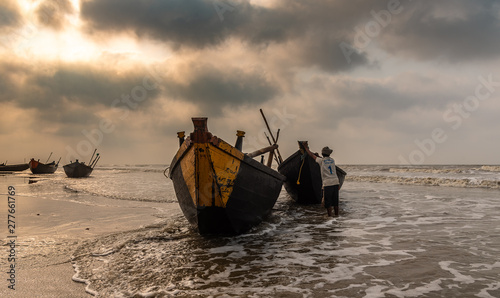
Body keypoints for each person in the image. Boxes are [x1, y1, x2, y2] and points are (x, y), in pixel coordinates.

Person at [301, 142, 340, 217]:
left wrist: (306, 148)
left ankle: (330, 217)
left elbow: (311, 155)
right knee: (335, 202)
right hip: (335, 181)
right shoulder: (332, 160)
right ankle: (337, 216)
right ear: (329, 154)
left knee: (328, 202)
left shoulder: (321, 161)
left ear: (322, 154)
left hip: (327, 183)